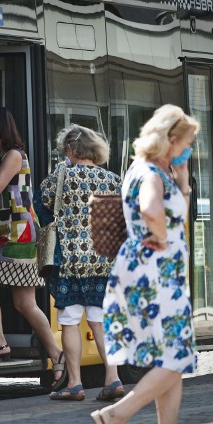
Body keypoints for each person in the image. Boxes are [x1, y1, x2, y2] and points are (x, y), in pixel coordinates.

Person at [90, 104, 199, 424]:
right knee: (177, 356)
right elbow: (152, 209)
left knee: (169, 358)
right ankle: (116, 415)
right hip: (157, 277)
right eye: (186, 142)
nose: (189, 149)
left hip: (146, 274)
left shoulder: (145, 169)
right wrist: (163, 239)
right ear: (170, 140)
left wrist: (182, 183)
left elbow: (169, 209)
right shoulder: (151, 173)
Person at [34, 124, 125, 402]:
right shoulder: (113, 179)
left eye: (65, 150)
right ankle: (113, 379)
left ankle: (75, 383)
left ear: (72, 149)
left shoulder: (60, 176)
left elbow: (41, 208)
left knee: (70, 322)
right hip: (103, 262)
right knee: (99, 321)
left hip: (70, 262)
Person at [0, 107, 65, 388]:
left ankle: (0, 343)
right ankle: (57, 356)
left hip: (19, 234)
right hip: (20, 232)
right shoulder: (9, 155)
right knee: (24, 303)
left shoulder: (14, 155)